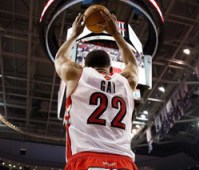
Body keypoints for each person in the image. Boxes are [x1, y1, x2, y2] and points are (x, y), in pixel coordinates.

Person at [55, 9, 139, 170]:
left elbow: (59, 59)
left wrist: (74, 34)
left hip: (86, 159)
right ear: (111, 68)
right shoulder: (125, 81)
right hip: (123, 162)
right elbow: (133, 65)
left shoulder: (77, 75)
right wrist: (117, 35)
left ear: (84, 66)